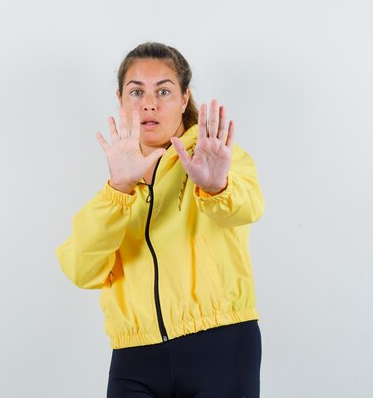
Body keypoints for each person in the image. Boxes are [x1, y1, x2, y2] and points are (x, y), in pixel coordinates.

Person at [56, 42, 265, 398]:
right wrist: (118, 188)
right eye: (136, 91)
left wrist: (217, 187)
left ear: (185, 99)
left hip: (221, 345)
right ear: (120, 100)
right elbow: (81, 270)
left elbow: (247, 207)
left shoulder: (214, 155)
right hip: (135, 356)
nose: (149, 103)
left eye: (163, 91)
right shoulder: (118, 184)